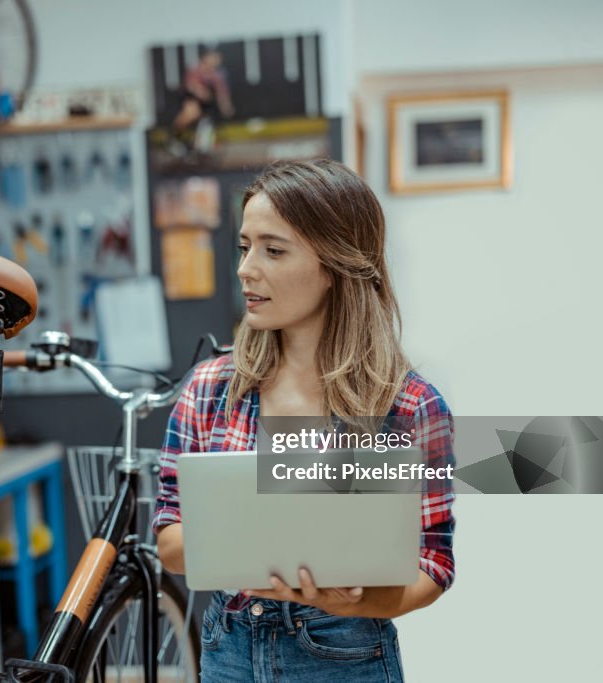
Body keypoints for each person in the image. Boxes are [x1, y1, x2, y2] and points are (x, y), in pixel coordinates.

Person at [153, 159, 455, 681]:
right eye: (245, 247)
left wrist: (354, 600)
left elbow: (433, 565)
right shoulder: (208, 390)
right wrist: (250, 553)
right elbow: (169, 542)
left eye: (273, 250)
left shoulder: (409, 407)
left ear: (335, 265)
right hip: (230, 651)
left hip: (345, 654)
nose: (247, 268)